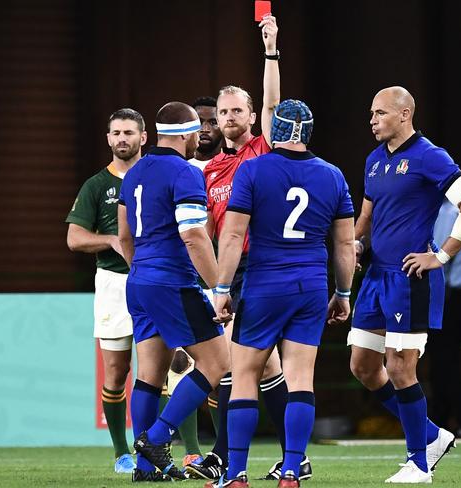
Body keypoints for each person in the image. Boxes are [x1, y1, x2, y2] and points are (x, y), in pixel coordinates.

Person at [186, 15, 313, 483]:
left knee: (245, 367)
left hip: (264, 268)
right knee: (263, 369)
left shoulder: (262, 151)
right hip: (233, 272)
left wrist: (271, 50)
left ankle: (228, 458)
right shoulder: (209, 169)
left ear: (253, 116)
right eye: (223, 113)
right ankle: (291, 458)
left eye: (238, 110)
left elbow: (275, 98)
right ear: (215, 121)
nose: (230, 118)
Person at [209, 98, 355, 488]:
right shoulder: (333, 176)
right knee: (301, 378)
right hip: (310, 286)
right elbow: (345, 245)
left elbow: (234, 234)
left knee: (243, 377)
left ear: (274, 130)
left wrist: (222, 288)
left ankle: (235, 473)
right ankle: (292, 469)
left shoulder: (252, 170)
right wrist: (343, 293)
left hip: (263, 284)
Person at [349, 86, 461, 484]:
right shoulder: (374, 160)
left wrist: (439, 256)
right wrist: (355, 246)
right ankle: (430, 435)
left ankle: (418, 463)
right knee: (362, 365)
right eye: (371, 113)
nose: (372, 120)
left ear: (405, 114)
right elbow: (367, 217)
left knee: (399, 367)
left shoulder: (430, 156)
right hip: (375, 277)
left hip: (411, 278)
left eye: (380, 113)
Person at [117, 101, 231, 482]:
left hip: (139, 281)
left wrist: (143, 271)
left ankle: (146, 470)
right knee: (217, 363)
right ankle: (157, 438)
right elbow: (195, 236)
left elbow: (124, 236)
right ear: (187, 134)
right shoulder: (184, 172)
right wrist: (219, 287)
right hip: (172, 281)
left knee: (149, 375)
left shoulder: (134, 172)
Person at [65, 108, 147, 475]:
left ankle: (185, 451)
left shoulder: (156, 176)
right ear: (108, 138)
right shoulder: (97, 186)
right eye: (116, 133)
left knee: (166, 369)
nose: (122, 139)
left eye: (129, 132)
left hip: (156, 279)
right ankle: (121, 452)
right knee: (116, 371)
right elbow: (74, 238)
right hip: (113, 283)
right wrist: (111, 239)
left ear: (143, 137)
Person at [427, 199, 461, 437]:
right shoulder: (454, 212)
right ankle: (442, 422)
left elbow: (437, 256)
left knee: (443, 361)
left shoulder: (447, 214)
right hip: (458, 294)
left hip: (449, 294)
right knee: (444, 361)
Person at [189, 96, 224, 171]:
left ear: (223, 126)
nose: (205, 129)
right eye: (199, 122)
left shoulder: (235, 164)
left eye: (213, 122)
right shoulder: (178, 166)